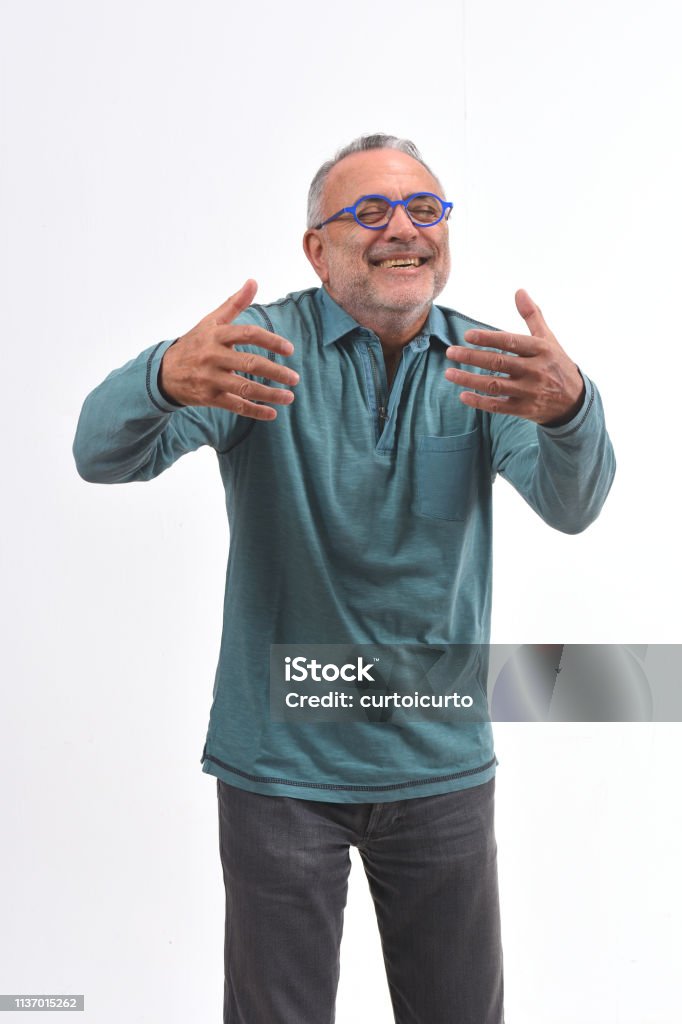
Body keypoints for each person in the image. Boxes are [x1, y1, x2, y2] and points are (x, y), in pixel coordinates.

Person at [73, 133, 616, 1024]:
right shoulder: (256, 352)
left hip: (440, 762)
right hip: (280, 772)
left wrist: (571, 412)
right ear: (316, 249)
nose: (402, 228)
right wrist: (163, 381)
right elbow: (100, 453)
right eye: (369, 211)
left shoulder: (486, 362)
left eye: (424, 209)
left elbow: (574, 506)